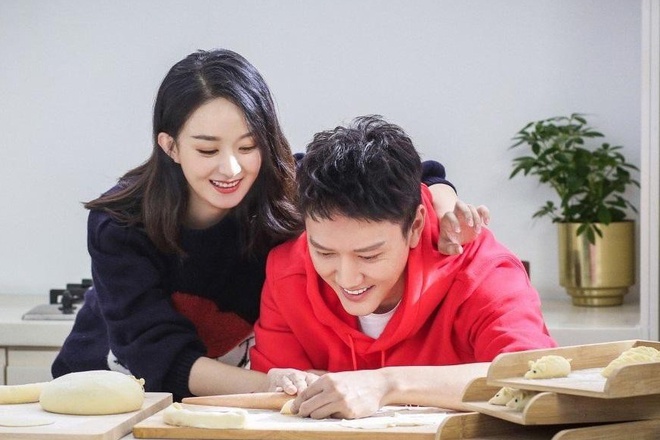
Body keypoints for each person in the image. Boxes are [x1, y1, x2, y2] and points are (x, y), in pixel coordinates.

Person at [51, 49, 488, 401]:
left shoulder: (286, 185)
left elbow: (405, 173)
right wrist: (280, 384)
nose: (231, 168)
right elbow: (159, 357)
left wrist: (447, 206)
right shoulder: (121, 224)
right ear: (170, 146)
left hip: (221, 397)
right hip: (107, 389)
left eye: (248, 146)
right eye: (207, 150)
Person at [250, 115, 557, 419]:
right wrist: (280, 384)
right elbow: (271, 411)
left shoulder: (483, 272)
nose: (347, 278)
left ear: (415, 226)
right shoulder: (287, 272)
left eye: (369, 255)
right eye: (324, 252)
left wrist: (387, 384)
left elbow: (530, 378)